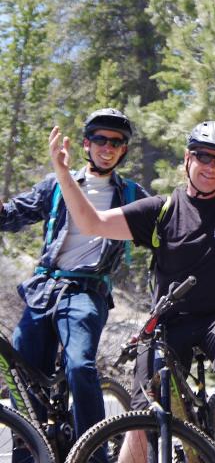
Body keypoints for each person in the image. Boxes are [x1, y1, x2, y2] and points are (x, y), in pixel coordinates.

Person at [47, 119, 215, 463]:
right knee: (141, 415)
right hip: (168, 322)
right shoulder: (161, 209)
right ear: (187, 158)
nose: (211, 166)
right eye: (203, 157)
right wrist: (62, 173)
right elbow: (93, 223)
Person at [1, 109, 148, 443]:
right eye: (100, 139)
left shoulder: (131, 195)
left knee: (80, 366)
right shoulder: (57, 184)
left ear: (123, 150)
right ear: (86, 143)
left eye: (117, 142)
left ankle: (93, 452)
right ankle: (31, 452)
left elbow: (167, 229)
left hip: (87, 290)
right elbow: (12, 215)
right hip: (44, 287)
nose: (108, 147)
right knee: (22, 370)